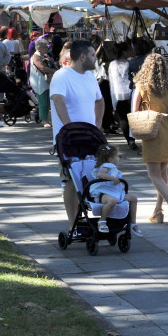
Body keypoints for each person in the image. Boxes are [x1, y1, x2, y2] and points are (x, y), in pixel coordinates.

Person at [51, 39, 105, 225]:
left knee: (92, 176)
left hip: (89, 137)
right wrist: (69, 127)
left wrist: (97, 126)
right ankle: (72, 222)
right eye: (92, 55)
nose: (95, 59)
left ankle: (92, 216)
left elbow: (100, 101)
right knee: (71, 181)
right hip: (68, 139)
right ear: (82, 56)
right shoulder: (61, 76)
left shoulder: (90, 77)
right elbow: (58, 100)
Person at [131, 53, 168, 224]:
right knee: (163, 172)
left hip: (151, 129)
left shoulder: (141, 85)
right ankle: (158, 211)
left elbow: (134, 110)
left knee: (154, 174)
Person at [88, 144, 141, 236]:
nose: (119, 158)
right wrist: (113, 179)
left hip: (113, 192)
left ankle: (133, 222)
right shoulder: (107, 165)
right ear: (111, 158)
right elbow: (100, 175)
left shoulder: (109, 166)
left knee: (133, 198)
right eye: (117, 156)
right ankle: (102, 220)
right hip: (103, 194)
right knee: (113, 201)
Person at [107, 41, 137, 149]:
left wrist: (113, 103)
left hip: (118, 94)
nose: (131, 51)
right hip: (132, 93)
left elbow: (112, 83)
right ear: (124, 52)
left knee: (123, 118)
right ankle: (132, 138)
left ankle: (130, 140)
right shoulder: (131, 63)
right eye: (129, 50)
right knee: (132, 117)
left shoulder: (112, 64)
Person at [29, 38, 57, 127]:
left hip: (45, 82)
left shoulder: (44, 56)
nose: (47, 49)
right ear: (39, 48)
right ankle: (44, 120)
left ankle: (46, 119)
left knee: (47, 101)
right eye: (45, 47)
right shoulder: (35, 56)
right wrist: (54, 71)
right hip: (40, 82)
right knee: (43, 101)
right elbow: (41, 67)